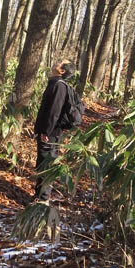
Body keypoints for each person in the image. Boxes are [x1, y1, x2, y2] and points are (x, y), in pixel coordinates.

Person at [32, 60, 82, 202]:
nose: (56, 62)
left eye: (60, 63)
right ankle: (39, 195)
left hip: (52, 133)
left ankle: (43, 199)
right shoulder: (55, 83)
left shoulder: (59, 86)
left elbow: (54, 111)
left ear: (62, 71)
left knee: (46, 163)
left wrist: (46, 132)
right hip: (49, 131)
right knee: (43, 161)